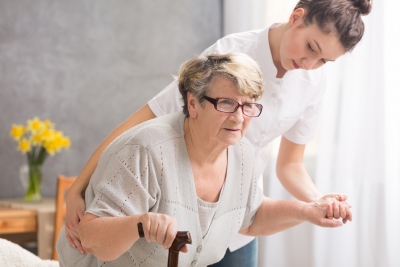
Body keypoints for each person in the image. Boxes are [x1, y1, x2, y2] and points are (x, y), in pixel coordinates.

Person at [65, 0, 371, 266]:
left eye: (323, 61)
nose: (309, 64)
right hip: (178, 205)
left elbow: (290, 165)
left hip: (238, 211)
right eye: (311, 48)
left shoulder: (313, 84)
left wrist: (318, 203)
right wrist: (78, 187)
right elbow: (144, 122)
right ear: (296, 18)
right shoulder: (229, 55)